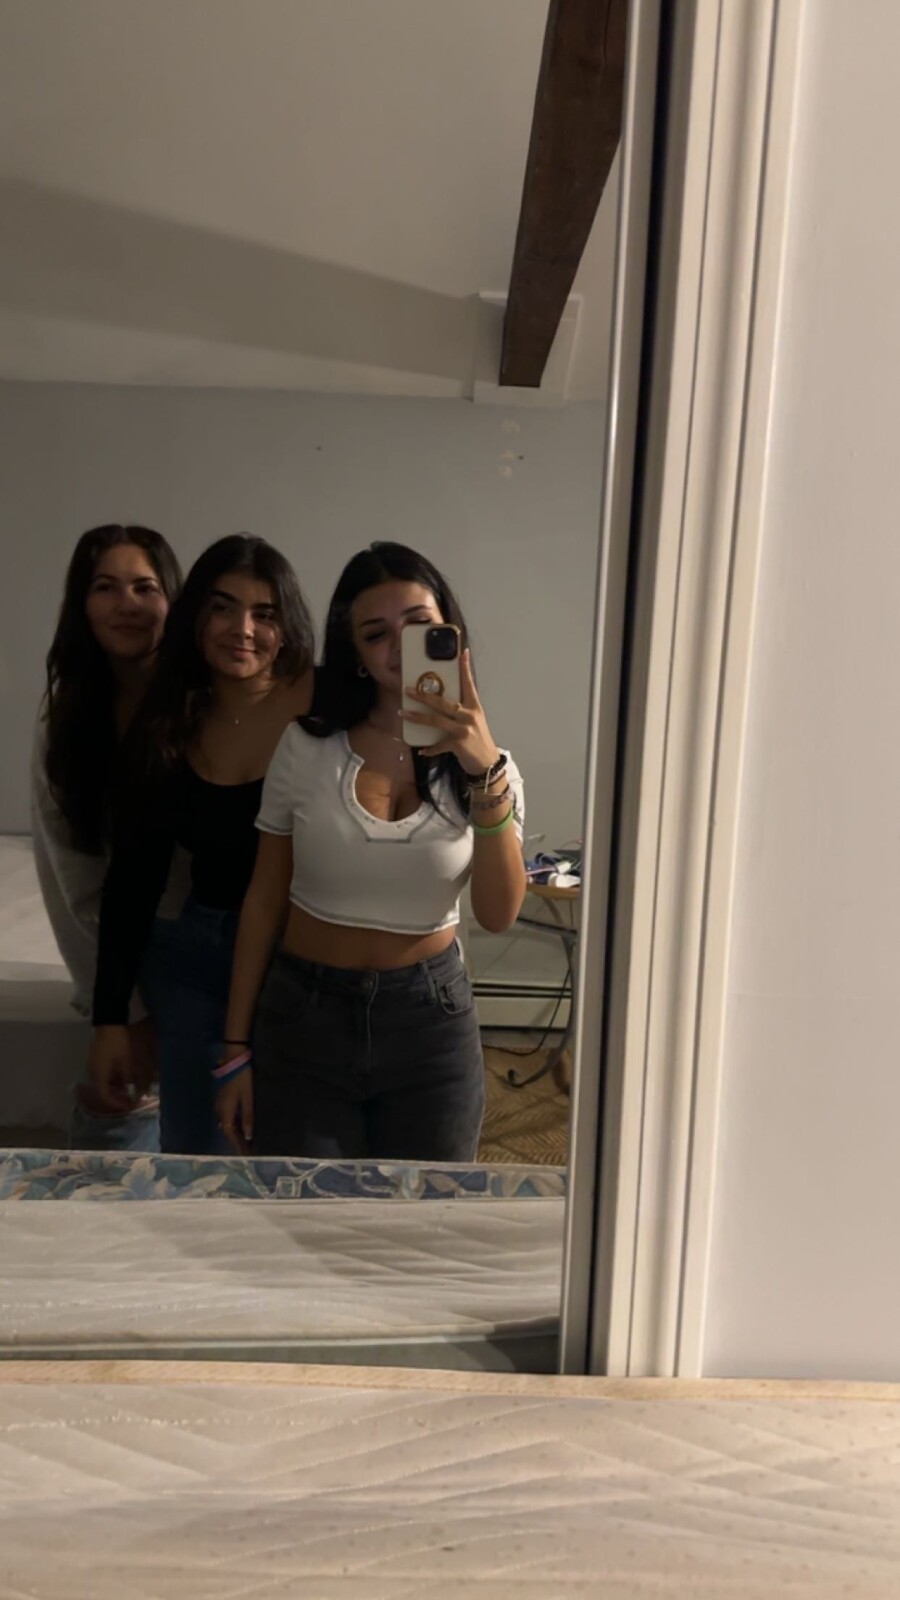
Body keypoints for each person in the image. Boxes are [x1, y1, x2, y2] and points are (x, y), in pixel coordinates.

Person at [216, 541, 526, 1162]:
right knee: (303, 1209)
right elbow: (264, 899)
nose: (399, 649)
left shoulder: (491, 768)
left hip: (430, 1022)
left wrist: (483, 771)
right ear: (354, 653)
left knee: (428, 1213)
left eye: (418, 626)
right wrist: (234, 1050)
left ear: (449, 634)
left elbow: (498, 915)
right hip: (305, 1016)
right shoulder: (306, 748)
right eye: (376, 634)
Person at [88, 534, 315, 1154]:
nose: (242, 629)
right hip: (197, 962)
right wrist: (110, 1017)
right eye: (222, 608)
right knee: (193, 1156)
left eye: (264, 613)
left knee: (290, 1154)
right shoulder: (169, 719)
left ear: (287, 627)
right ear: (194, 618)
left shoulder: (328, 707)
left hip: (303, 962)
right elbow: (132, 880)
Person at [31, 523, 183, 1151]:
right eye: (106, 587)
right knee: (113, 1139)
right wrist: (121, 1012)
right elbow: (74, 885)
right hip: (118, 959)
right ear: (81, 603)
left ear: (172, 600)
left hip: (207, 954)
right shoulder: (65, 723)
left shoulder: (204, 707)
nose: (127, 604)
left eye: (145, 587)